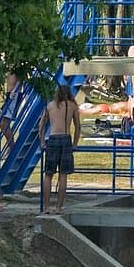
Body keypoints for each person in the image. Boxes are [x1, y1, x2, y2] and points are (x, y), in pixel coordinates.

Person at [37, 83, 81, 215]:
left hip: (53, 139)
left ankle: (46, 207)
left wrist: (42, 142)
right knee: (63, 175)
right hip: (66, 139)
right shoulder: (72, 106)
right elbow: (78, 126)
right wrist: (75, 143)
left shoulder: (50, 105)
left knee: (48, 174)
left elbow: (41, 125)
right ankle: (59, 207)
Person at [0, 70, 24, 151]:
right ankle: (11, 145)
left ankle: (11, 146)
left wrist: (15, 89)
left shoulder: (17, 63)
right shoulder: (10, 63)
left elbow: (21, 77)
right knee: (0, 120)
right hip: (10, 94)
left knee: (2, 121)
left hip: (14, 95)